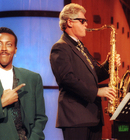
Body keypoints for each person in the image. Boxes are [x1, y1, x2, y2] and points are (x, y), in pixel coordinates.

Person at [49, 3, 121, 140]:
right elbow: (67, 79)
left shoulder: (80, 47)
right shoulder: (60, 47)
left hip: (93, 117)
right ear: (70, 22)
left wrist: (109, 65)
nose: (86, 24)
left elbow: (94, 74)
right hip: (75, 118)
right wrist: (96, 92)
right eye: (82, 21)